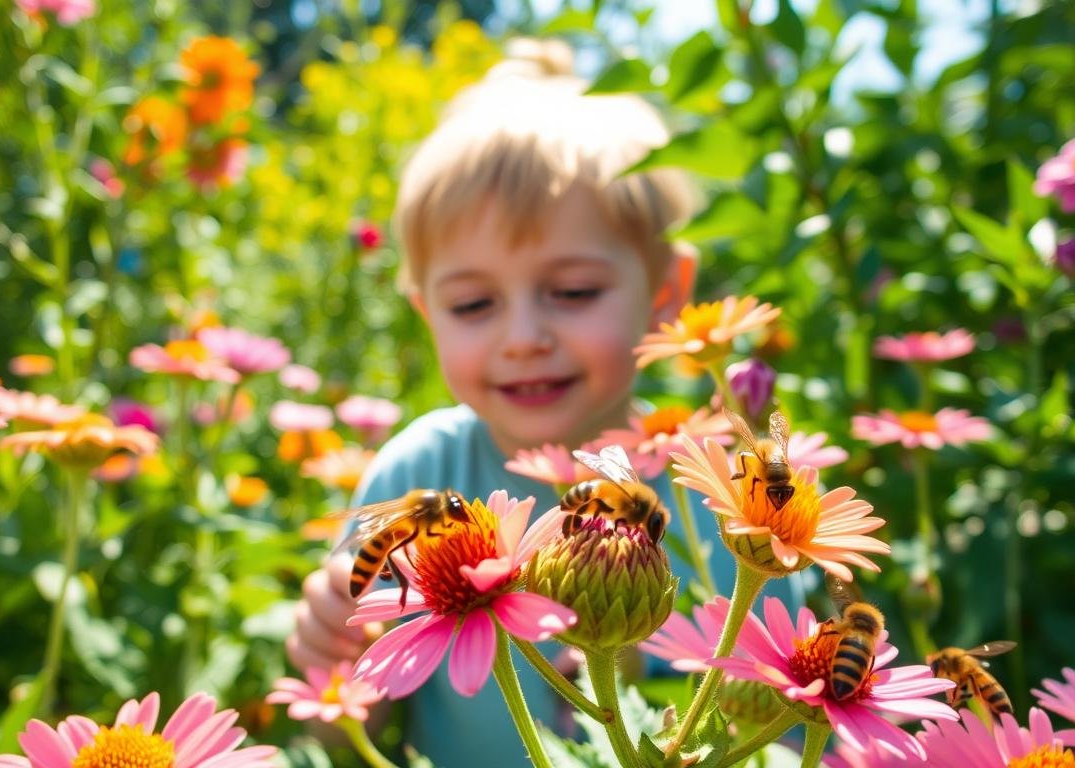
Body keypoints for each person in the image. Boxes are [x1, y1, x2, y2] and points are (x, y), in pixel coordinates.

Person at [285, 39, 802, 766]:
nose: (523, 337)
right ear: (426, 315)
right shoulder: (414, 471)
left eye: (573, 291)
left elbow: (785, 723)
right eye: (473, 304)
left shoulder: (727, 505)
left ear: (666, 293)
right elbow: (343, 724)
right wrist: (330, 651)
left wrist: (622, 661)